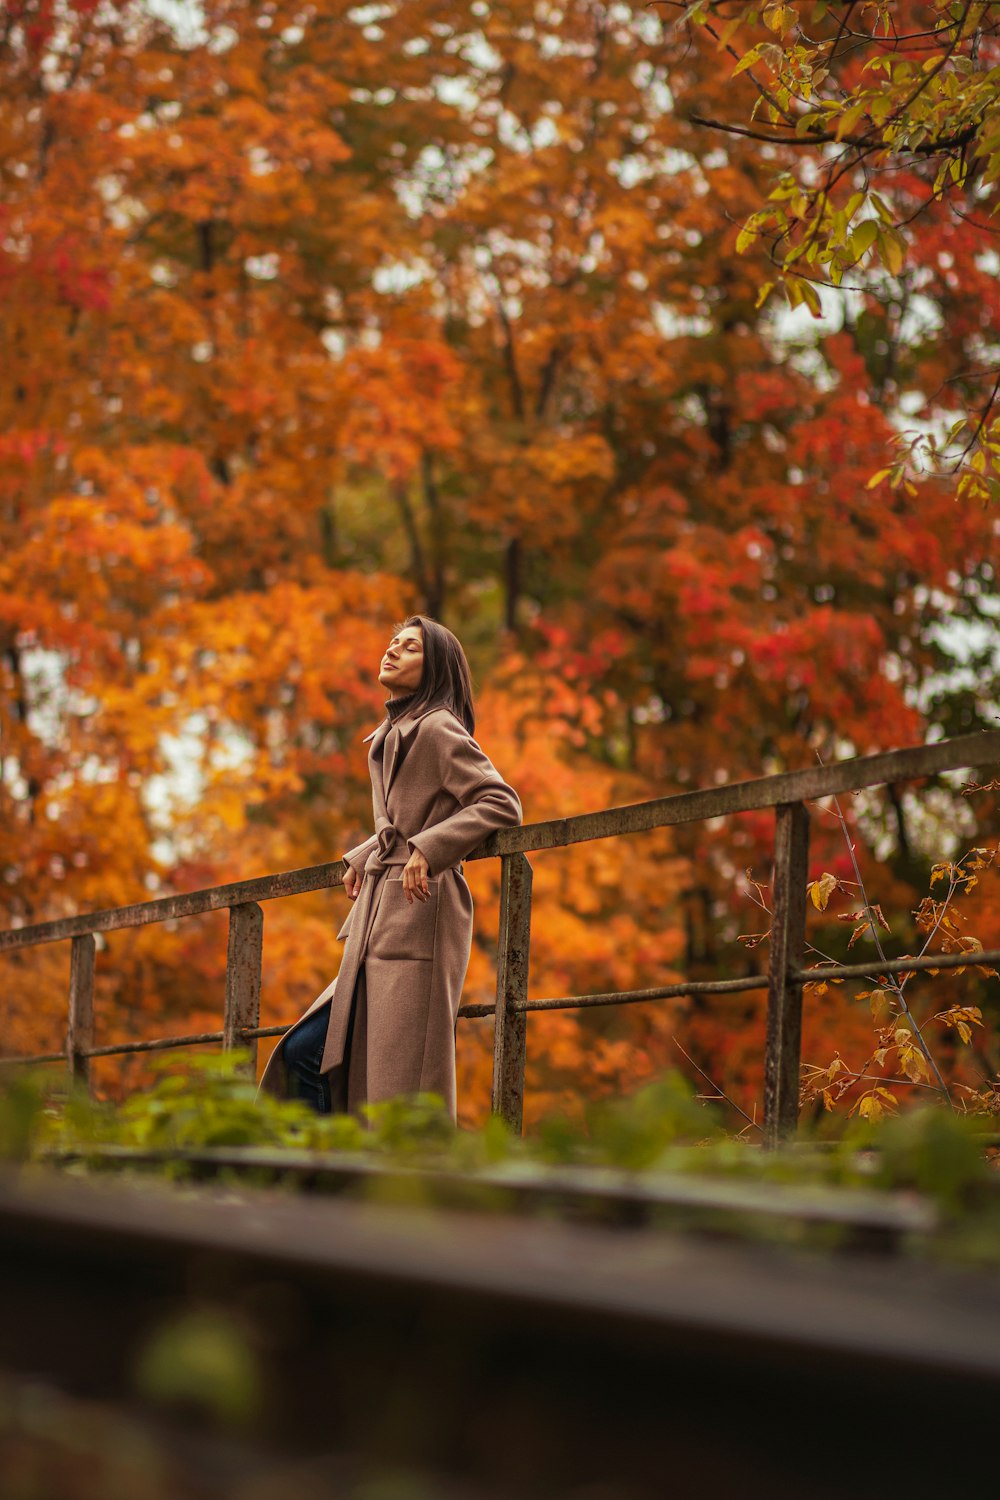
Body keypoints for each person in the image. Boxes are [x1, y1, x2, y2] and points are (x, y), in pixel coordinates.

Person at [259, 615, 522, 1122]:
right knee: (317, 1054)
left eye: (410, 648)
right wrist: (366, 853)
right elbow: (404, 821)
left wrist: (430, 847)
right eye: (392, 643)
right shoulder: (392, 732)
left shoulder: (439, 727)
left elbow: (500, 802)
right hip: (380, 916)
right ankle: (334, 1178)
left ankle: (385, 1183)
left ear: (435, 668)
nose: (393, 651)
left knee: (395, 1076)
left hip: (420, 915)